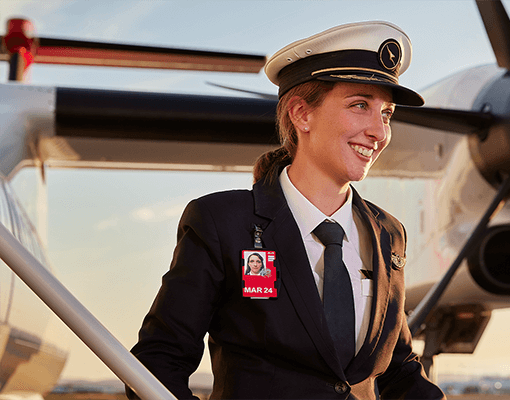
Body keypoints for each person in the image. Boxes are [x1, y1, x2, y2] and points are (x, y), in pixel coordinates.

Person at [128, 21, 444, 400]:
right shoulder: (221, 223)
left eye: (387, 113)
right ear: (301, 114)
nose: (379, 131)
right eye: (360, 105)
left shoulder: (388, 234)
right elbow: (159, 362)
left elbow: (401, 370)